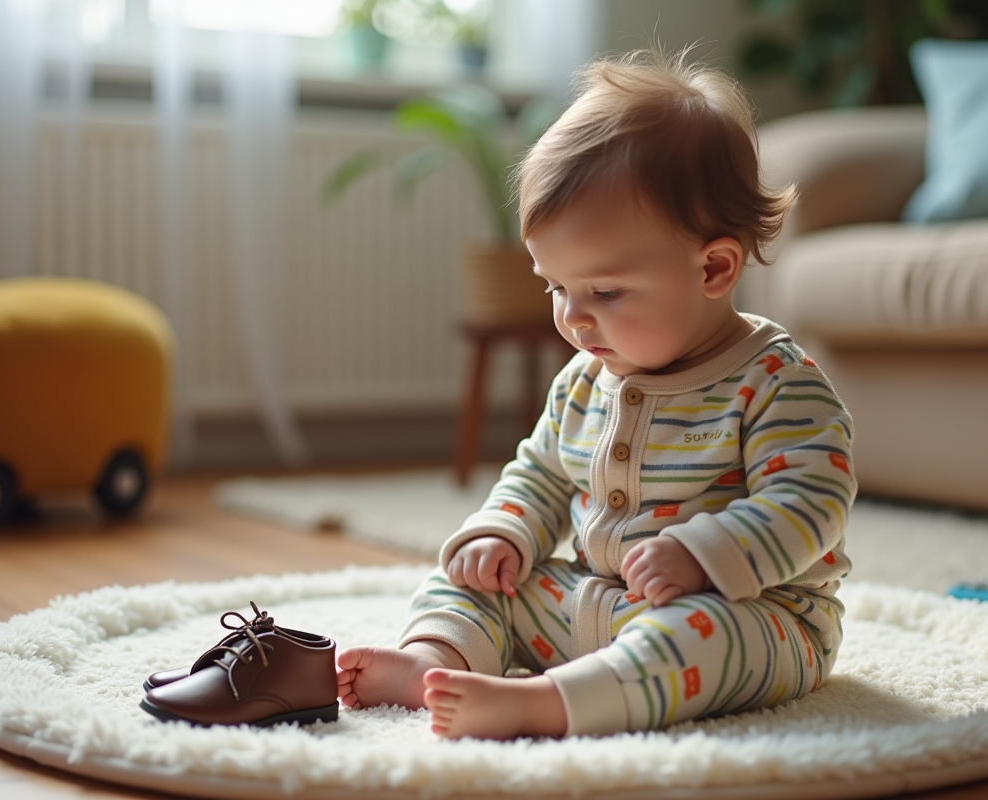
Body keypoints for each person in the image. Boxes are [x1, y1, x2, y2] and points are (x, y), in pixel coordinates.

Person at [335, 48, 857, 740]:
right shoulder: (584, 381)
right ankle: (431, 665)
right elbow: (541, 473)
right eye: (556, 286)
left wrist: (705, 554)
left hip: (751, 616)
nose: (573, 319)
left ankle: (548, 705)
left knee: (700, 638)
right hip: (593, 602)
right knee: (475, 580)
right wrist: (503, 532)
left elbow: (812, 502)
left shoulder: (776, 382)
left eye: (605, 292)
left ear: (714, 268)